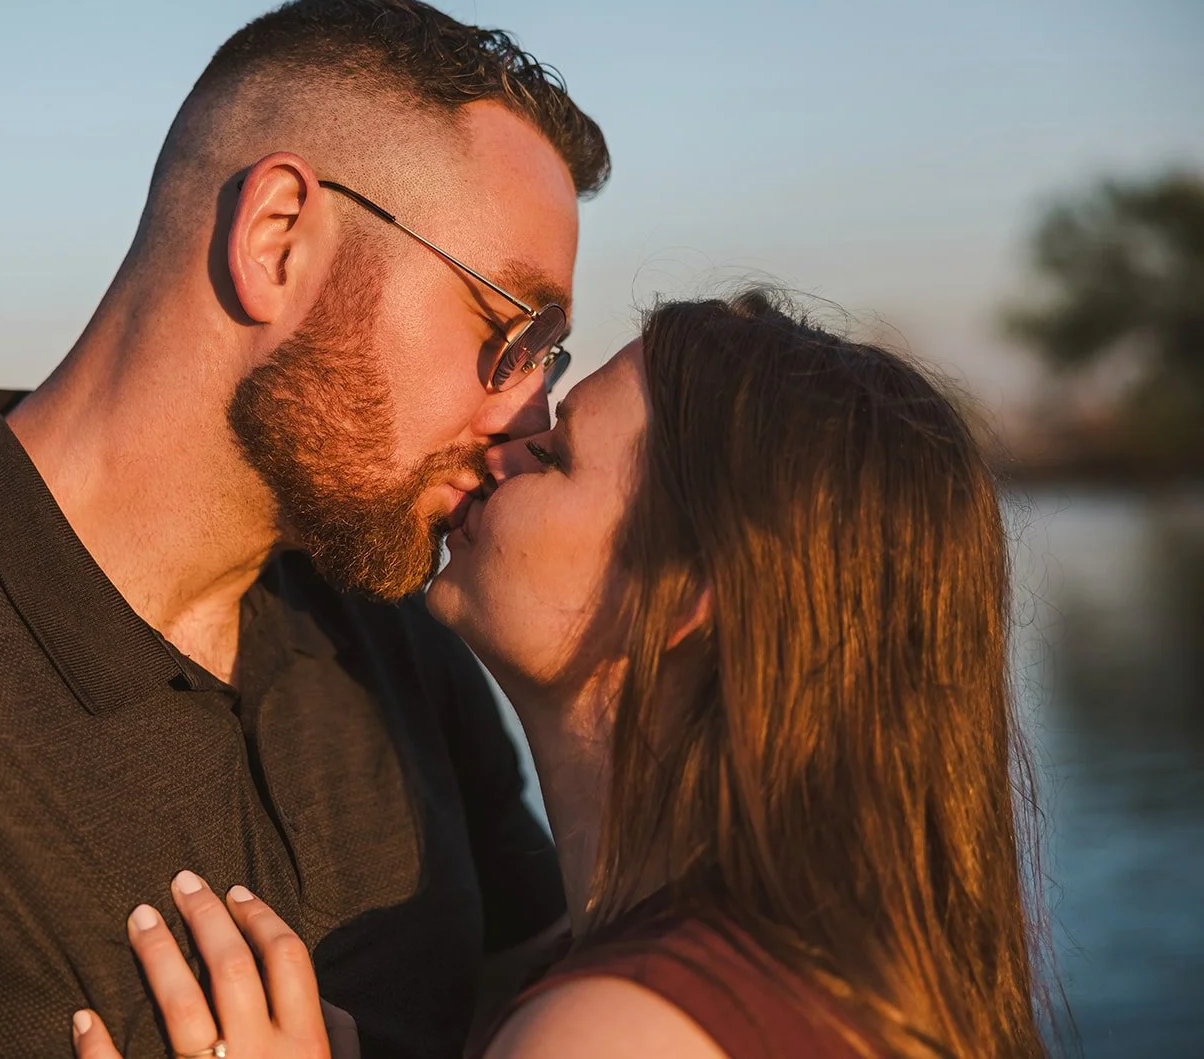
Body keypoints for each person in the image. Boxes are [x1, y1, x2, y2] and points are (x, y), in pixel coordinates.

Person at [0, 0, 611, 1057]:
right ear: (276, 240)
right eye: (509, 330)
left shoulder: (391, 639)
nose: (528, 417)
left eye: (550, 360)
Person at [73, 292, 1051, 1059]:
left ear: (686, 592)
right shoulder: (821, 968)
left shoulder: (617, 1030)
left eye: (559, 451)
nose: (503, 448)